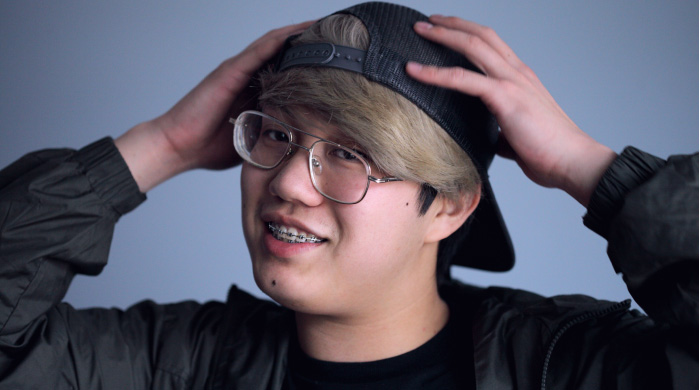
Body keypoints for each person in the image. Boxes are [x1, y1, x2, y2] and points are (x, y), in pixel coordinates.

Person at [0, 2, 696, 389]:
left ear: (449, 206)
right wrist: (163, 144)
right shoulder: (172, 366)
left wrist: (591, 168)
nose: (288, 182)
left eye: (350, 157)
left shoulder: (570, 369)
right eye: (276, 136)